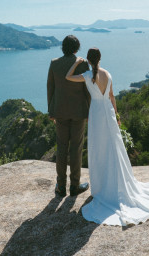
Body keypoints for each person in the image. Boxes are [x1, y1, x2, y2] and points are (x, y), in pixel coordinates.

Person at [65, 48, 149, 226]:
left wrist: (76, 63)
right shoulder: (108, 73)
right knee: (114, 148)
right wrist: (116, 115)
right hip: (107, 112)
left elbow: (68, 77)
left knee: (98, 148)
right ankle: (117, 182)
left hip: (96, 114)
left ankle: (102, 186)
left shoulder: (86, 75)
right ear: (100, 59)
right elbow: (111, 96)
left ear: (89, 61)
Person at [46, 35, 90, 198]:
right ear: (76, 48)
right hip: (79, 112)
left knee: (62, 147)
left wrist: (51, 111)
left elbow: (50, 87)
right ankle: (75, 186)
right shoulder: (82, 63)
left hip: (60, 112)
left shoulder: (54, 63)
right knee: (76, 149)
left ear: (62, 47)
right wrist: (89, 111)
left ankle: (61, 186)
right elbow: (88, 89)